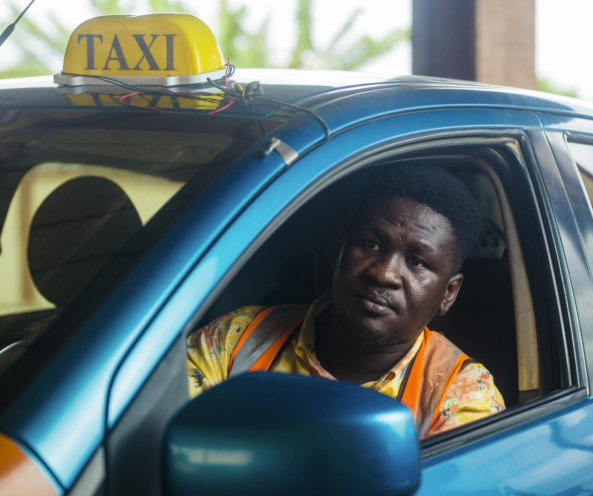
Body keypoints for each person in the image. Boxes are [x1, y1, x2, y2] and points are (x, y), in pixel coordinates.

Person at [186, 163, 505, 439]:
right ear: (339, 249)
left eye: (416, 262)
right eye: (371, 244)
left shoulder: (462, 397)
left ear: (448, 293)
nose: (383, 274)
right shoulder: (236, 340)